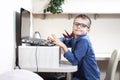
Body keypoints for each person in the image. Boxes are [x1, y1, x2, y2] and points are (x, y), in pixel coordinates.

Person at [47, 14, 100, 80]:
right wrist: (56, 40)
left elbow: (74, 61)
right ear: (73, 26)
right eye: (76, 24)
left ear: (88, 30)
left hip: (88, 78)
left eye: (83, 25)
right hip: (80, 76)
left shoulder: (84, 40)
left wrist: (63, 46)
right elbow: (65, 40)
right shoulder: (76, 39)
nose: (79, 26)